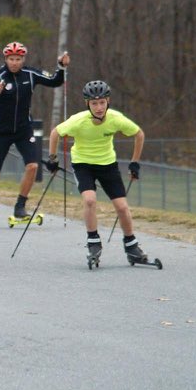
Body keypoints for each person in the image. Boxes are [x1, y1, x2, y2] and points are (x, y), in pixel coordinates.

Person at [47, 81, 153, 267]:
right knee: (89, 200)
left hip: (107, 164)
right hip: (82, 164)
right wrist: (52, 158)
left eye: (102, 102)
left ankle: (132, 247)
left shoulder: (115, 118)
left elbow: (139, 134)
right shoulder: (78, 121)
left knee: (121, 207)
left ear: (108, 101)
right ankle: (93, 242)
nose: (99, 107)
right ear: (87, 104)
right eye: (94, 103)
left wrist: (135, 162)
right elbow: (55, 133)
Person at [0, 42, 69, 227]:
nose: (14, 62)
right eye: (11, 59)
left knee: (32, 166)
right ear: (5, 59)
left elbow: (55, 81)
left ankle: (20, 207)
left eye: (18, 59)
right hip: (2, 132)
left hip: (24, 130)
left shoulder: (30, 74)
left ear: (23, 59)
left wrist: (61, 66)